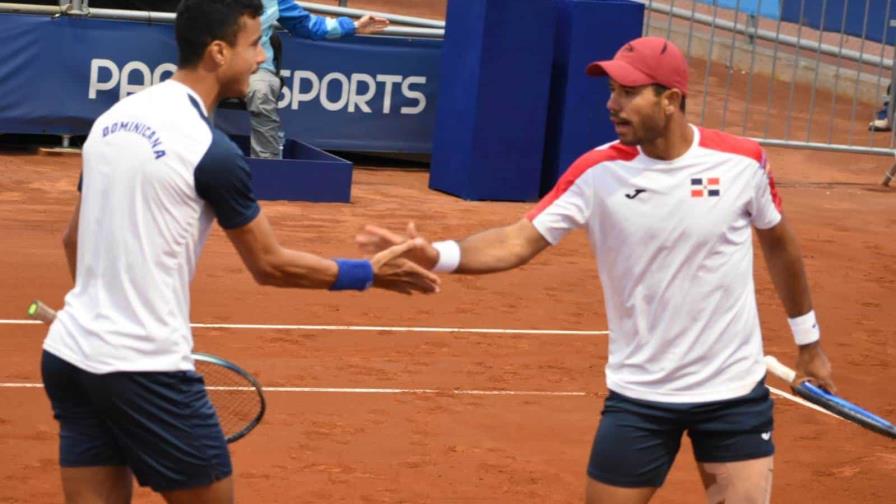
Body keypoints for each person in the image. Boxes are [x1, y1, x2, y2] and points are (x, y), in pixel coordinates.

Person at [357, 36, 836, 504]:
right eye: (611, 91)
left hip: (733, 393)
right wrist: (437, 254)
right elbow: (516, 240)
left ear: (670, 99)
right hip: (640, 397)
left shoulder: (742, 162)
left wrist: (809, 343)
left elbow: (780, 246)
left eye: (628, 93)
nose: (613, 104)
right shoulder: (597, 172)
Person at [40, 1, 438, 503]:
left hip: (70, 356)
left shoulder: (111, 120)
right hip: (145, 366)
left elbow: (72, 240)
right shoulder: (212, 152)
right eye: (254, 45)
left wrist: (95, 315)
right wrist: (367, 272)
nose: (259, 58)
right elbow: (270, 265)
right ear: (217, 51)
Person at [247, 1, 389, 158]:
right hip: (215, 65)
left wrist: (354, 26)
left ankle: (266, 166)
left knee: (261, 94)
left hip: (257, 68)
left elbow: (306, 24)